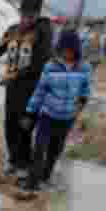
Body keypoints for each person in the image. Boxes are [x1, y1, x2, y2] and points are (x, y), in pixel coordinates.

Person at [0, 0, 53, 178]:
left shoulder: (43, 31)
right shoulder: (14, 29)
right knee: (9, 123)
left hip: (32, 87)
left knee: (25, 124)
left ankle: (25, 163)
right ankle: (13, 160)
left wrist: (16, 75)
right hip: (12, 87)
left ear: (37, 14)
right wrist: (1, 42)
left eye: (30, 16)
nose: (26, 19)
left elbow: (40, 62)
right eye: (23, 15)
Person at [21, 29, 92, 194]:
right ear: (59, 48)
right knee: (39, 147)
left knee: (55, 149)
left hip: (67, 118)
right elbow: (40, 91)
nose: (67, 53)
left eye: (70, 49)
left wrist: (79, 108)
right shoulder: (50, 66)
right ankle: (32, 181)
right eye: (63, 49)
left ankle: (46, 176)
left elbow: (85, 91)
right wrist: (29, 113)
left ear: (76, 49)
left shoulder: (84, 68)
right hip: (47, 115)